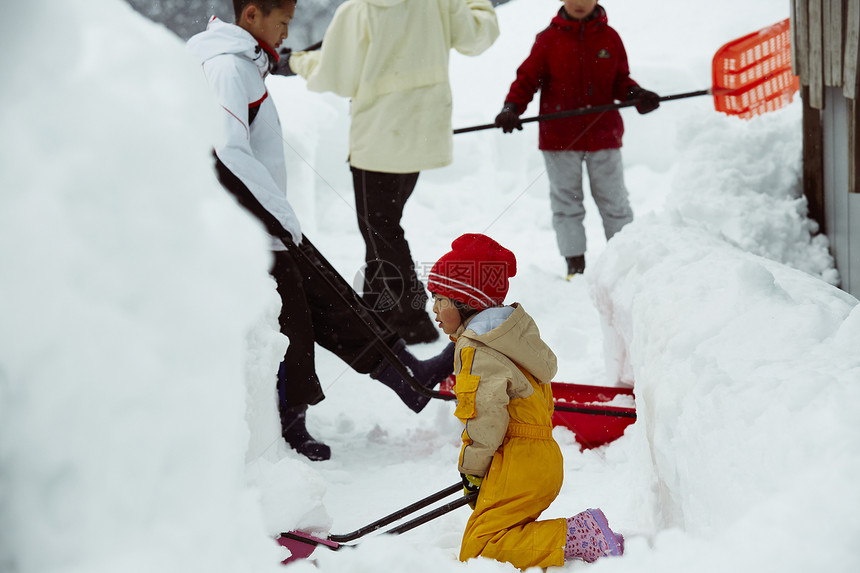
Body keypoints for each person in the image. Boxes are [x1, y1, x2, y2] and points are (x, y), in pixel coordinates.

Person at [187, 0, 454, 463]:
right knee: (295, 324)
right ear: (252, 15)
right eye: (282, 22)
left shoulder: (244, 64)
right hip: (253, 227)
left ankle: (408, 377)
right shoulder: (229, 69)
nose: (287, 32)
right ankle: (289, 429)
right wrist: (279, 217)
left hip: (270, 221)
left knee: (335, 301)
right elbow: (228, 153)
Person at [280, 0, 500, 345]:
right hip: (421, 133)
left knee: (380, 227)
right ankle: (378, 311)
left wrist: (295, 62)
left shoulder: (360, 8)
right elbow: (477, 36)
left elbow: (336, 76)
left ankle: (412, 321)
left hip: (379, 137)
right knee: (382, 226)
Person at [427, 233, 624, 569]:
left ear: (465, 301)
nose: (434, 312)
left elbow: (485, 418)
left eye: (440, 300)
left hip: (518, 462)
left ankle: (579, 534)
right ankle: (578, 534)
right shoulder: (510, 339)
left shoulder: (476, 349)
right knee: (490, 535)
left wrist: (472, 470)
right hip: (536, 457)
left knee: (480, 551)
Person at [494, 0, 660, 279]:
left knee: (614, 202)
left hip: (604, 135)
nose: (579, 3)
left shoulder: (610, 37)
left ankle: (626, 264)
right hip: (560, 138)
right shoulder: (548, 40)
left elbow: (620, 80)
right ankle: (576, 267)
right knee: (567, 203)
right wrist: (511, 108)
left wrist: (637, 95)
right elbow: (526, 80)